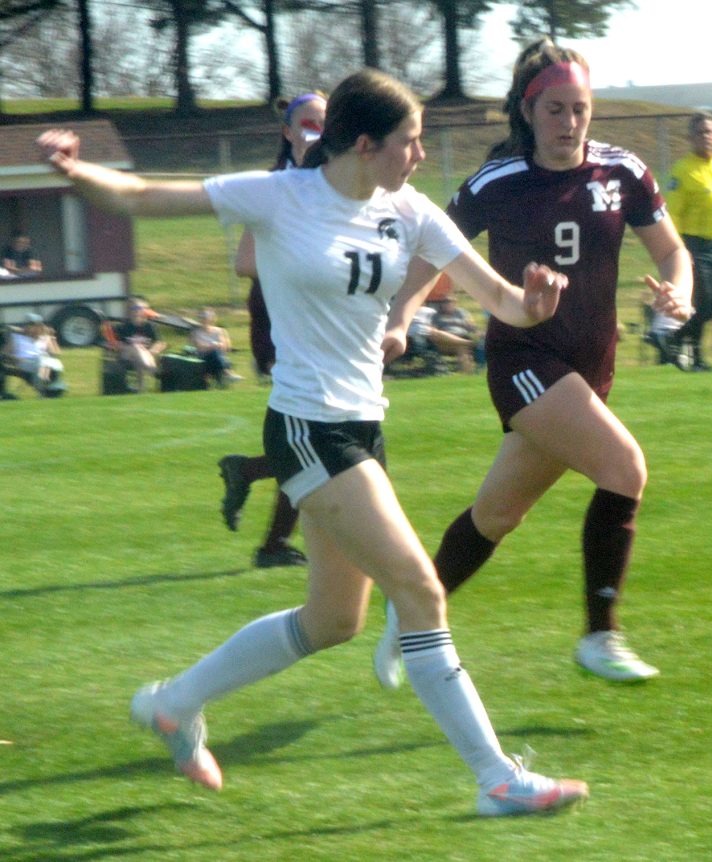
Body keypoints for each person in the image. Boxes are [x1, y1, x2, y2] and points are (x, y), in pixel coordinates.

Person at [37, 68, 589, 816]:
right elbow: (140, 197)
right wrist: (73, 170)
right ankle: (497, 779)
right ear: (364, 144)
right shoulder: (283, 196)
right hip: (304, 426)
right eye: (410, 142)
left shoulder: (411, 210)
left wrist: (536, 303)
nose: (420, 156)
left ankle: (172, 704)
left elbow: (502, 302)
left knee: (333, 622)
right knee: (422, 591)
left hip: (362, 424)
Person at [374, 38, 692, 688]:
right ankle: (600, 635)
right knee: (624, 467)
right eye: (554, 109)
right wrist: (401, 320)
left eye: (579, 108)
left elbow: (672, 251)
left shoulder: (622, 172)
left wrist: (678, 292)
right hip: (525, 361)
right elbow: (430, 254)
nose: (569, 122)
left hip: (590, 369)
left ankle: (409, 614)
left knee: (496, 514)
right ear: (529, 110)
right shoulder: (499, 182)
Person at [219, 91, 327, 569]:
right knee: (315, 440)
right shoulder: (278, 185)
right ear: (288, 132)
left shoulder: (332, 182)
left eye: (327, 123)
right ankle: (272, 541)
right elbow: (245, 263)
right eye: (308, 123)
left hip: (319, 324)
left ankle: (251, 481)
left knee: (315, 440)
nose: (318, 132)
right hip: (283, 320)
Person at [664, 111, 712, 372]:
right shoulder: (683, 170)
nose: (706, 137)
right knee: (704, 301)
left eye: (710, 132)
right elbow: (673, 213)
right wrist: (679, 248)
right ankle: (695, 356)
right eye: (701, 132)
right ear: (690, 138)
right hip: (694, 244)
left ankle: (675, 338)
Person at [112, 297, 166, 391]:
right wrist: (136, 348)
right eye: (134, 308)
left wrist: (151, 351)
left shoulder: (149, 326)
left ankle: (140, 388)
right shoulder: (123, 327)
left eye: (139, 308)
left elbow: (160, 343)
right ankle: (152, 371)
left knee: (138, 358)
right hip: (127, 355)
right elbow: (117, 344)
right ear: (130, 311)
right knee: (136, 348)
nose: (137, 311)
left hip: (146, 356)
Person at [6, 312, 64, 395]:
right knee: (40, 363)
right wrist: (14, 358)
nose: (30, 327)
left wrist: (52, 337)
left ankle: (53, 387)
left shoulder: (45, 338)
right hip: (24, 362)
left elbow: (56, 353)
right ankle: (42, 389)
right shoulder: (17, 338)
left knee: (50, 364)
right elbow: (6, 353)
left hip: (44, 362)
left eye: (34, 325)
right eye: (29, 325)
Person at [189, 307, 240, 386]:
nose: (204, 320)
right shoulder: (196, 332)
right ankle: (227, 373)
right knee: (215, 352)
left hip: (218, 355)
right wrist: (213, 346)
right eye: (202, 317)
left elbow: (226, 346)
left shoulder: (219, 331)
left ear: (211, 318)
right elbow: (200, 347)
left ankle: (225, 375)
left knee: (216, 353)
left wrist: (218, 345)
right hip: (203, 357)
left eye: (206, 317)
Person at [429, 294, 479, 373]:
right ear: (441, 304)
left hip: (461, 338)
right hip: (445, 342)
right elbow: (433, 330)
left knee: (461, 347)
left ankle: (467, 373)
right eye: (445, 302)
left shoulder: (462, 313)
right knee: (440, 333)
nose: (448, 304)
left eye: (451, 302)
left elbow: (472, 327)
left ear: (455, 303)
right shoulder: (436, 316)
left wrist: (474, 328)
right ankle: (469, 343)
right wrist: (434, 331)